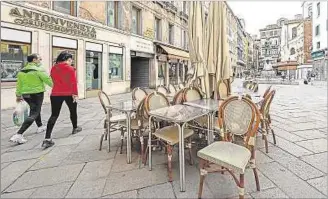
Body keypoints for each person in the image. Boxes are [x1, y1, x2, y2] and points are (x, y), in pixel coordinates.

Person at [10, 54, 53, 144]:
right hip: (36, 94)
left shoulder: (22, 71)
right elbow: (48, 80)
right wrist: (56, 87)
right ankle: (19, 134)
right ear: (34, 60)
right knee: (34, 113)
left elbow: (19, 85)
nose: (40, 60)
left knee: (35, 109)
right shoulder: (38, 70)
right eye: (39, 59)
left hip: (25, 94)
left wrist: (18, 95)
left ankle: (40, 126)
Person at [43, 51, 82, 148]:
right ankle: (75, 128)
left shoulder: (53, 68)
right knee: (73, 111)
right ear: (67, 59)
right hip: (69, 93)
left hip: (55, 93)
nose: (71, 62)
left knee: (54, 115)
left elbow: (52, 79)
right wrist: (75, 94)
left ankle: (47, 138)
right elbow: (73, 82)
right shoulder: (70, 68)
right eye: (70, 60)